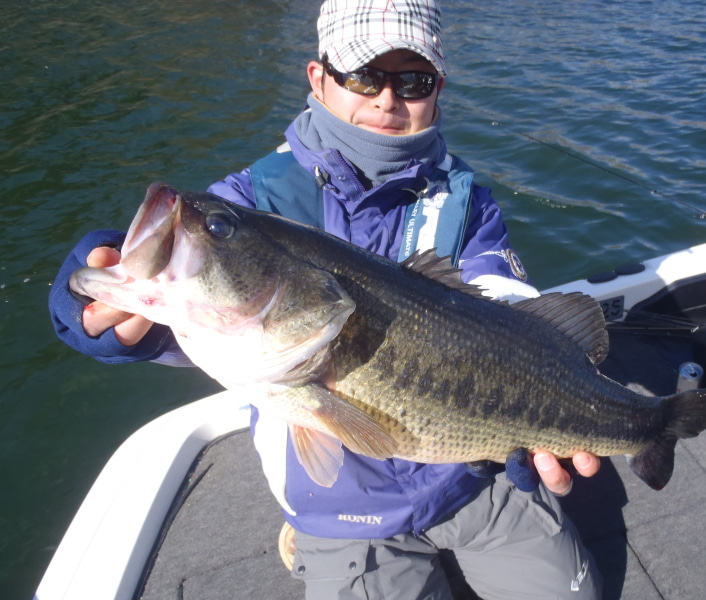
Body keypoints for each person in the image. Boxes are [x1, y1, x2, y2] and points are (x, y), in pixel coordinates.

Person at [50, 1, 602, 598]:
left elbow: (505, 299)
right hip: (340, 511)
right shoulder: (250, 200)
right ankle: (312, 542)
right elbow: (198, 312)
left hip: (470, 478)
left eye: (412, 81)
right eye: (363, 76)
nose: (386, 100)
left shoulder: (468, 202)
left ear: (437, 89)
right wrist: (91, 312)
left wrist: (539, 407)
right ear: (318, 78)